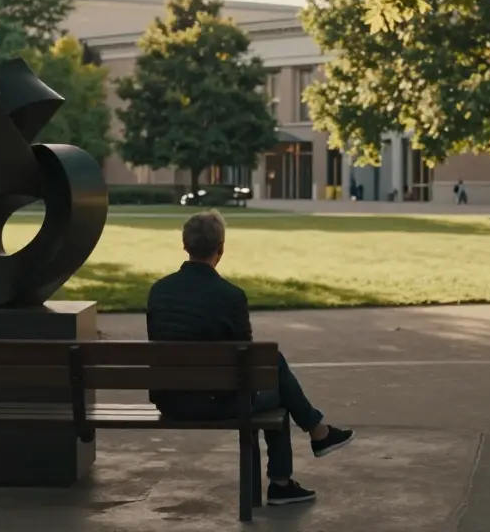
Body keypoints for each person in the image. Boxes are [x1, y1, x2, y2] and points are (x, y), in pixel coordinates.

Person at [147, 211, 355, 506]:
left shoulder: (159, 291)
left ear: (185, 246)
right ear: (221, 248)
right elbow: (246, 359)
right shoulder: (230, 295)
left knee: (270, 367)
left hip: (169, 401)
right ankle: (289, 473)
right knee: (275, 381)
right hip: (217, 403)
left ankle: (317, 433)